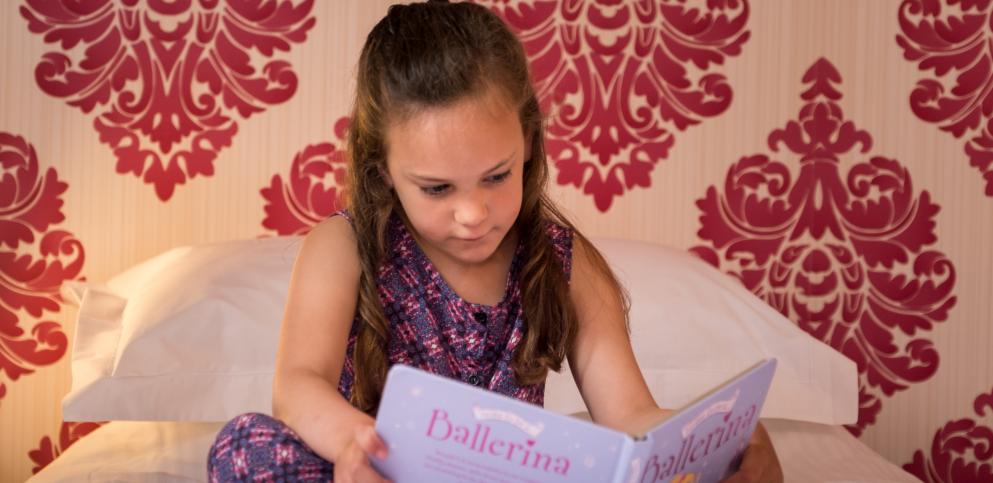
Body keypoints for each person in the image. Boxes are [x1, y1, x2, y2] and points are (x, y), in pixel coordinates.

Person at [207, 1, 783, 482]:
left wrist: (715, 443)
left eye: (496, 176)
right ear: (383, 170)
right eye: (436, 188)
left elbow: (629, 413)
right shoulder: (346, 246)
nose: (473, 214)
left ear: (528, 142)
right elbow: (298, 384)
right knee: (243, 446)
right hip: (381, 473)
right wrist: (359, 445)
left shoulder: (559, 259)